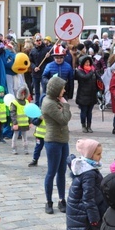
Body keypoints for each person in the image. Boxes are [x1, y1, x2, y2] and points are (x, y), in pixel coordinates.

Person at [66, 139, 106, 230]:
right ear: (89, 155)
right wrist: (94, 217)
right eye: (98, 154)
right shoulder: (89, 173)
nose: (100, 157)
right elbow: (88, 197)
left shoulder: (84, 166)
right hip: (84, 210)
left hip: (79, 208)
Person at [42, 76, 72, 214]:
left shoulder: (56, 100)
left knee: (62, 172)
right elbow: (64, 120)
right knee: (51, 172)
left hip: (63, 141)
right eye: (62, 88)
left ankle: (61, 199)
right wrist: (65, 105)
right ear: (56, 90)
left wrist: (63, 105)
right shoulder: (49, 103)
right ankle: (48, 201)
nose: (64, 90)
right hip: (53, 141)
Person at [75, 56, 99, 134]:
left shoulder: (93, 70)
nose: (88, 64)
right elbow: (85, 77)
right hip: (83, 95)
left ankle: (89, 126)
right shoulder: (79, 71)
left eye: (89, 62)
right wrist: (92, 72)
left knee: (89, 112)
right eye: (86, 62)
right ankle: (83, 125)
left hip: (92, 94)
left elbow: (98, 79)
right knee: (84, 111)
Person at [9, 85, 31, 155]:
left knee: (25, 137)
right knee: (15, 136)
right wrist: (15, 123)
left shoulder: (27, 102)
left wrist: (30, 122)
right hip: (17, 124)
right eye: (22, 94)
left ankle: (26, 149)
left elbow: (29, 112)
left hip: (24, 123)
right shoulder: (14, 103)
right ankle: (14, 149)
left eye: (24, 94)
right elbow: (13, 114)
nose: (23, 95)